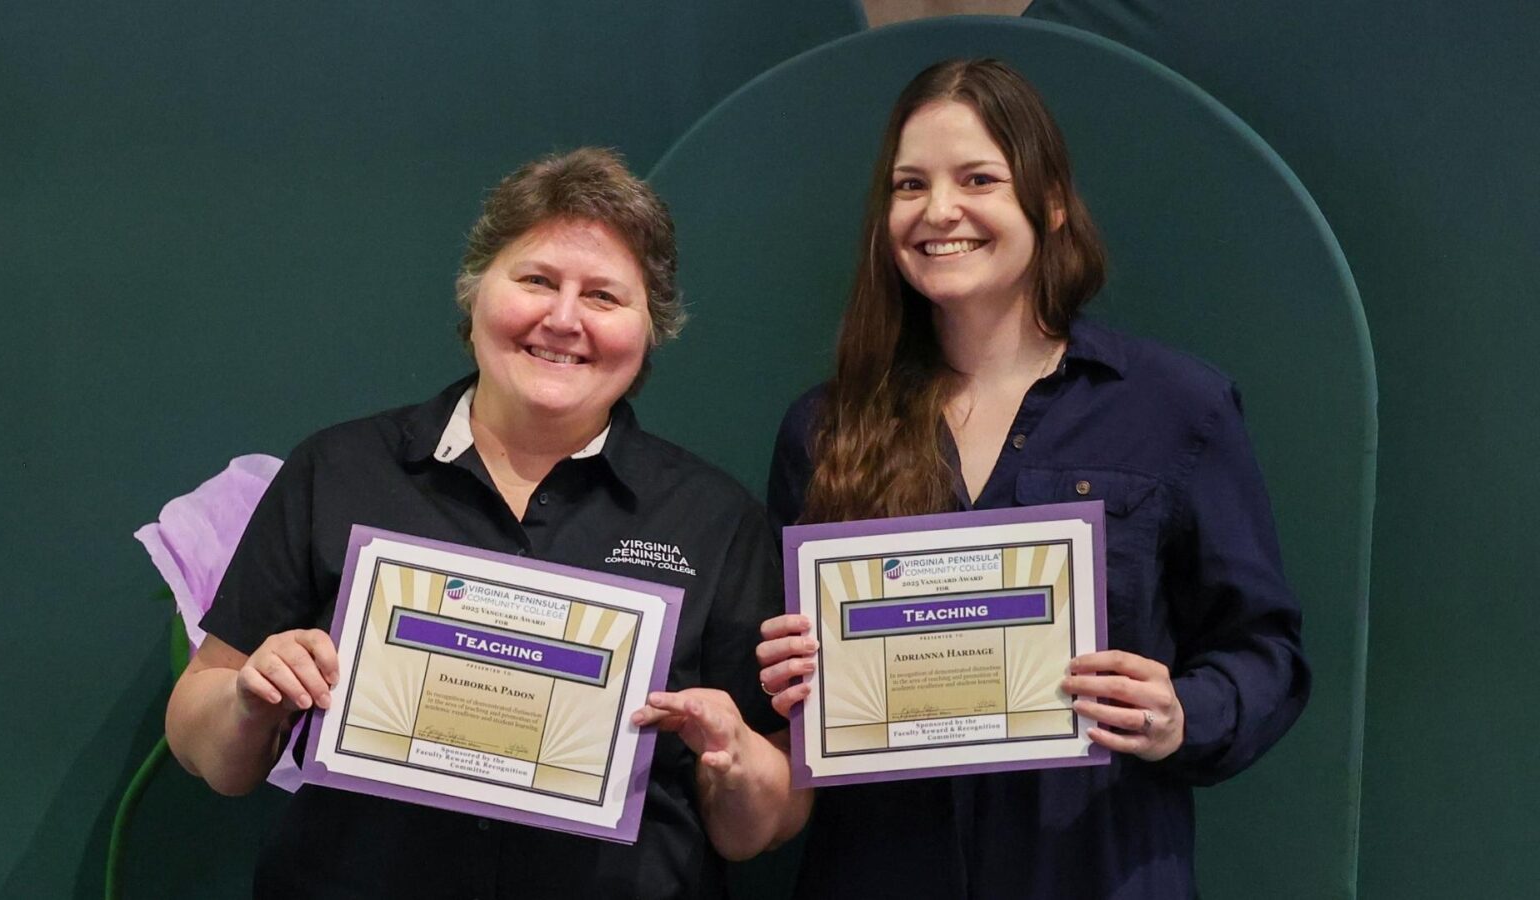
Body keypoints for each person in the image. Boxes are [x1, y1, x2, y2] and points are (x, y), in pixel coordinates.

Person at [165, 147, 808, 898]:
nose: (563, 319)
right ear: (475, 295)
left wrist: (736, 758)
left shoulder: (714, 519)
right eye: (536, 280)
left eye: (604, 296)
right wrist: (247, 696)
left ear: (650, 330)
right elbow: (200, 735)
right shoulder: (338, 471)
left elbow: (762, 822)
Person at [756, 59, 1310, 898]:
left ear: (1050, 203)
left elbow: (1267, 650)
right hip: (879, 871)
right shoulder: (823, 428)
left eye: (978, 178)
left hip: (1098, 867)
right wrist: (788, 678)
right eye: (910, 185)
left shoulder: (1175, 407)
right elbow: (785, 695)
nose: (939, 211)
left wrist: (1181, 715)